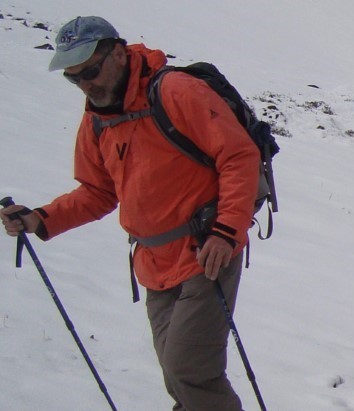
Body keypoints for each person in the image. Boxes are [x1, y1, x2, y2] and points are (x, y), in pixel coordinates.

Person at [1, 16, 260, 410]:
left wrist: (226, 232)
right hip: (153, 265)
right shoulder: (97, 122)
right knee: (178, 376)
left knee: (190, 369)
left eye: (90, 70)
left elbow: (239, 155)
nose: (86, 83)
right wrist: (41, 218)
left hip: (207, 251)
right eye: (74, 77)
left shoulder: (175, 91)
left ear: (118, 54)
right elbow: (98, 192)